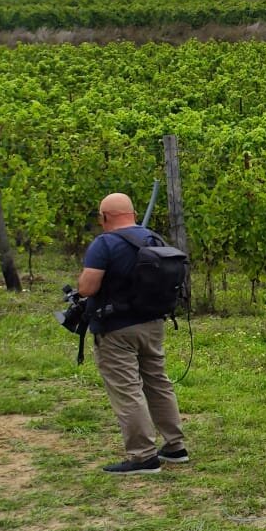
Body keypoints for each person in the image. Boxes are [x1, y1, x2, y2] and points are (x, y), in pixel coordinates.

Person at [76, 193, 188, 475]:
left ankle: (143, 456)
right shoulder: (154, 239)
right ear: (134, 214)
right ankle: (175, 446)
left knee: (127, 390)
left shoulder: (104, 244)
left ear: (104, 217)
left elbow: (87, 288)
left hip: (116, 329)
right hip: (153, 323)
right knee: (158, 382)